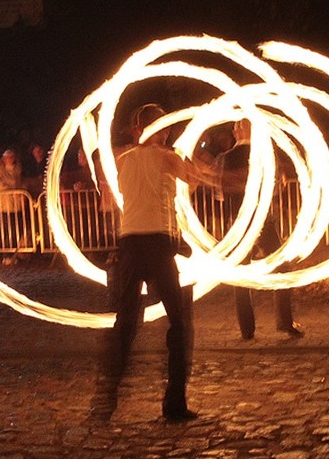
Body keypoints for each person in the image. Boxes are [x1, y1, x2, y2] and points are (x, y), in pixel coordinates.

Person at [93, 103, 201, 422]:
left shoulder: (120, 157)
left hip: (129, 244)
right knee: (179, 324)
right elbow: (193, 179)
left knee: (125, 322)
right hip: (158, 243)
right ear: (164, 129)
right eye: (165, 128)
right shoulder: (169, 157)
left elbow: (105, 185)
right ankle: (174, 404)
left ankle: (105, 398)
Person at [215, 118, 304, 340]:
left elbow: (272, 185)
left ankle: (274, 324)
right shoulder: (235, 157)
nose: (251, 128)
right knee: (247, 276)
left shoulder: (262, 154)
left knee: (279, 268)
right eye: (246, 125)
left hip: (258, 221)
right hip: (244, 224)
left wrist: (277, 180)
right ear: (236, 131)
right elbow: (226, 188)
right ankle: (252, 328)